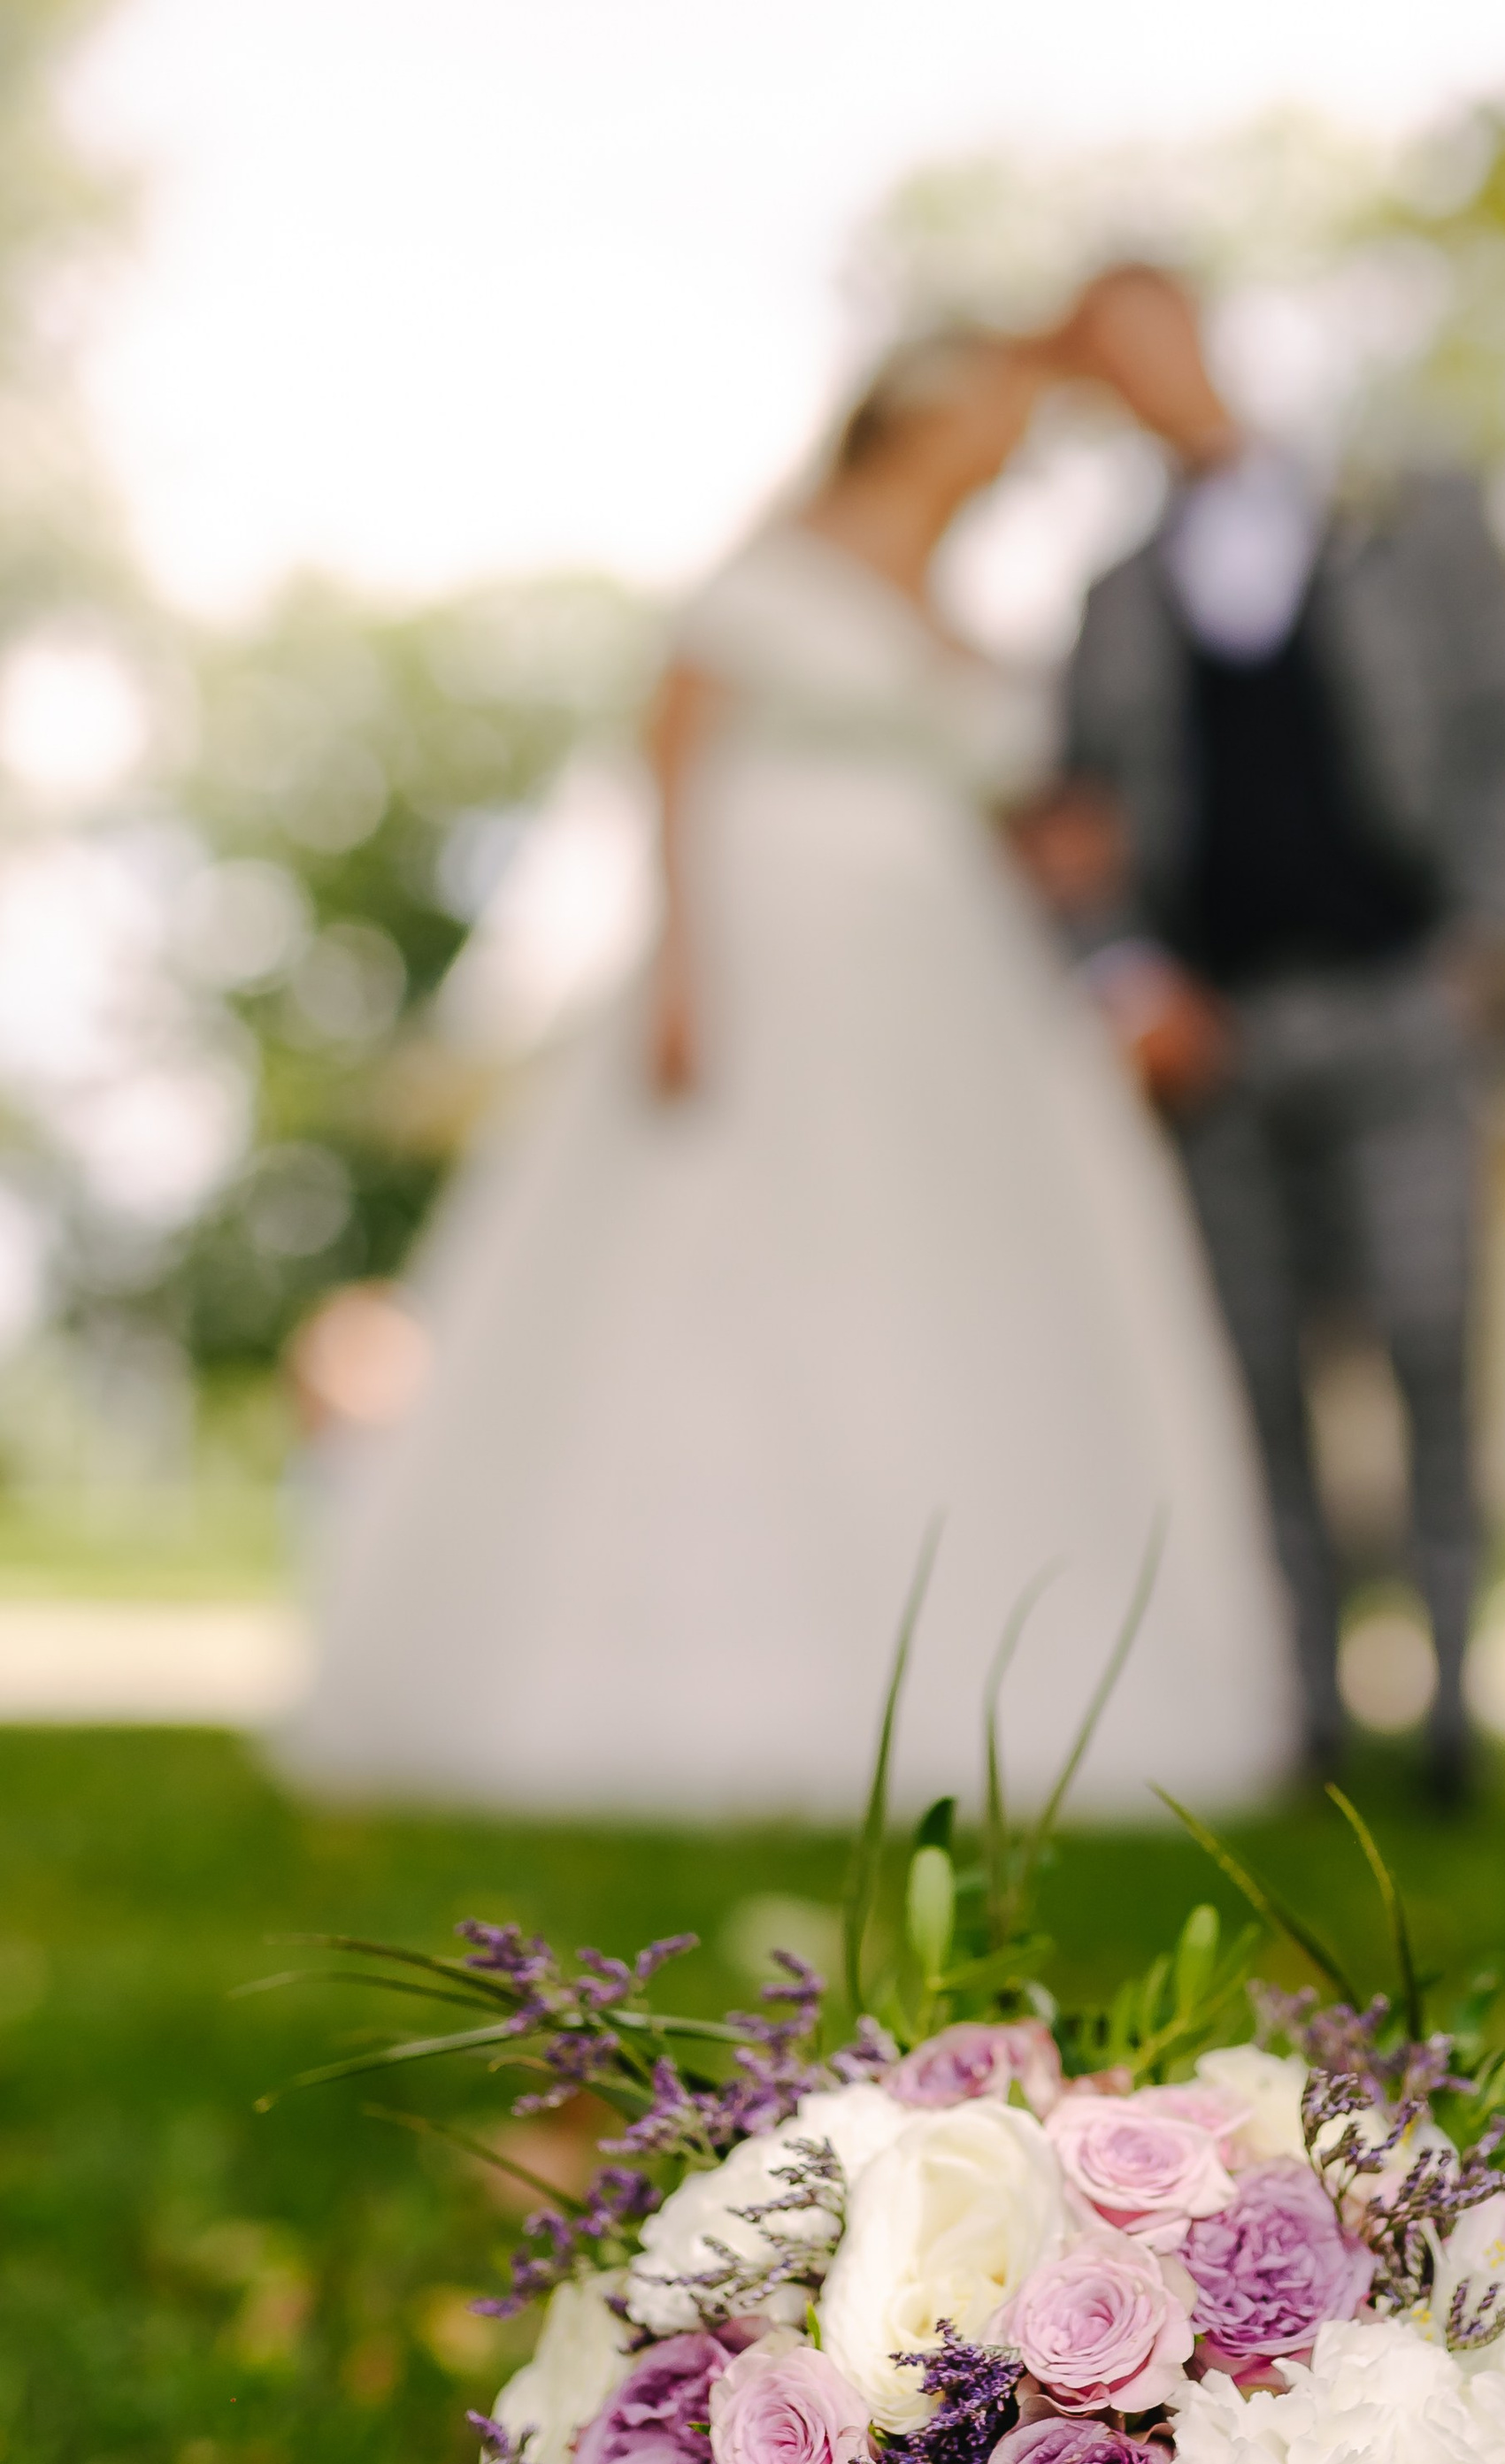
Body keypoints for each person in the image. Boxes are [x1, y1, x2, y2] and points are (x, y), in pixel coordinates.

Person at [277, 330, 1296, 1820]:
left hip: (952, 987)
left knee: (943, 1300)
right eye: (1000, 415)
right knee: (729, 1277)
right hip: (767, 952)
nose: (1012, 448)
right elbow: (674, 764)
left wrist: (1060, 849)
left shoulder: (976, 611)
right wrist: (683, 978)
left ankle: (982, 1682)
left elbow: (1008, 808)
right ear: (921, 410)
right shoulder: (773, 569)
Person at [1056, 264, 1505, 1801]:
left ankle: (1459, 1703)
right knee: (1256, 1379)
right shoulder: (1114, 594)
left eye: (1152, 337)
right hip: (1223, 1038)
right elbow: (1074, 827)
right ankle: (1311, 1706)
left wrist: (1480, 943)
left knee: (1429, 1348)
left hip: (1408, 1002)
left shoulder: (1415, 512)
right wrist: (1133, 981)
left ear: (1206, 331)